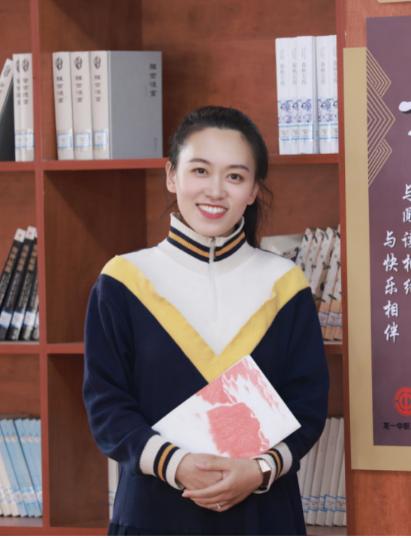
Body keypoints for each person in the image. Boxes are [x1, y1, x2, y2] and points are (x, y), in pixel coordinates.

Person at [83, 105, 329, 535]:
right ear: (171, 175)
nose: (215, 190)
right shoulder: (124, 279)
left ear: (252, 190)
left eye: (235, 176)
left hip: (263, 515)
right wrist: (176, 464)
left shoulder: (284, 284)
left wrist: (259, 470)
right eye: (200, 170)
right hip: (154, 513)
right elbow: (106, 405)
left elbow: (307, 405)